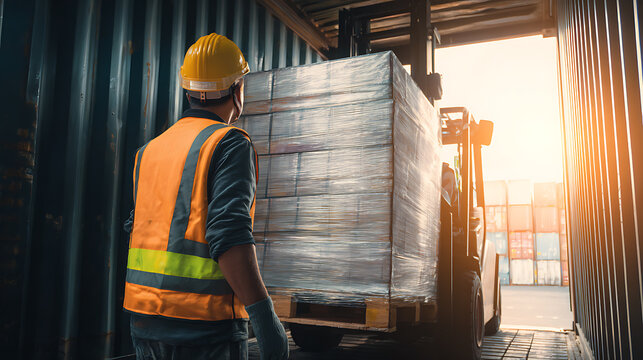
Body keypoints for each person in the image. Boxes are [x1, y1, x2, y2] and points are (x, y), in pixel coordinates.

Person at [122, 33, 289, 360]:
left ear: (188, 90)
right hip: (203, 328)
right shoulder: (229, 142)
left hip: (143, 321)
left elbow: (138, 227)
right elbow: (228, 236)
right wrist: (265, 319)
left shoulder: (149, 151)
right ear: (237, 89)